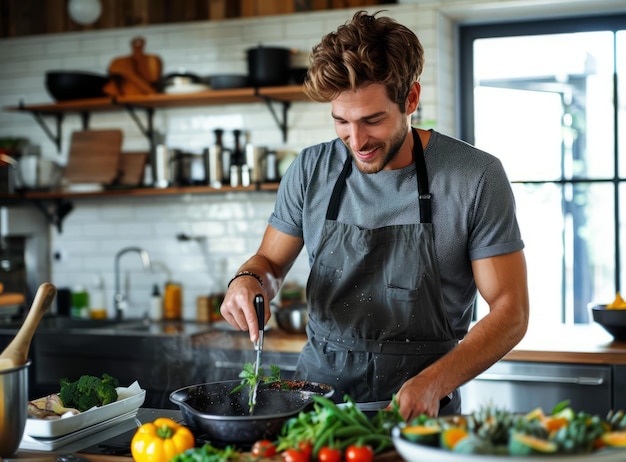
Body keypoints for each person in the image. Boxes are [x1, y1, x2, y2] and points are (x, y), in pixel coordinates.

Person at [220, 10, 529, 420]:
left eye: (373, 120)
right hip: (316, 409)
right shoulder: (311, 169)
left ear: (411, 99)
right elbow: (270, 264)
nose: (357, 140)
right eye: (341, 122)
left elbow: (511, 311)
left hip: (422, 411)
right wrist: (247, 280)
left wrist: (435, 382)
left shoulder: (475, 177)